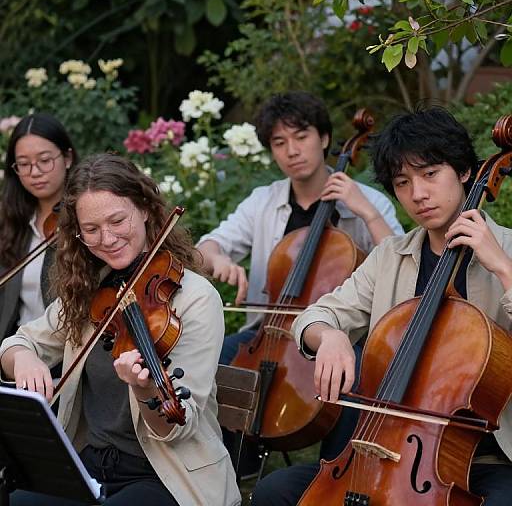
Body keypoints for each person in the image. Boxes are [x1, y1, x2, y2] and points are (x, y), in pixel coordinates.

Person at [252, 107, 512, 505]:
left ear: (463, 172)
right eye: (403, 182)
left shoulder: (508, 249)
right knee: (275, 490)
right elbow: (314, 316)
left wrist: (501, 268)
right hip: (393, 449)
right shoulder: (391, 256)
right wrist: (332, 336)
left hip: (491, 460)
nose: (418, 194)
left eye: (430, 175)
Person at [0, 154, 241, 506]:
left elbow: (176, 427)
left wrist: (145, 389)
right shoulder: (89, 288)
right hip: (94, 462)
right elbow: (18, 342)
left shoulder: (196, 299)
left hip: (166, 474)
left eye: (117, 220)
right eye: (92, 230)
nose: (107, 239)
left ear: (144, 209)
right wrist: (22, 358)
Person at [197, 91, 403, 478]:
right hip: (268, 334)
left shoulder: (367, 202)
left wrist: (366, 210)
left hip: (338, 337)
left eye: (302, 136)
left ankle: (336, 474)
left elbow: (401, 267)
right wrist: (219, 258)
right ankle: (225, 470)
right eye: (280, 142)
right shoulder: (264, 201)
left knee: (355, 371)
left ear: (324, 138)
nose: (292, 150)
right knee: (211, 358)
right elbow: (207, 247)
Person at [0, 113, 78, 342]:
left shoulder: (87, 219)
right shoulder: (11, 222)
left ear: (67, 158)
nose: (34, 172)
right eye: (23, 164)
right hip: (16, 354)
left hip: (69, 355)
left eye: (45, 160)